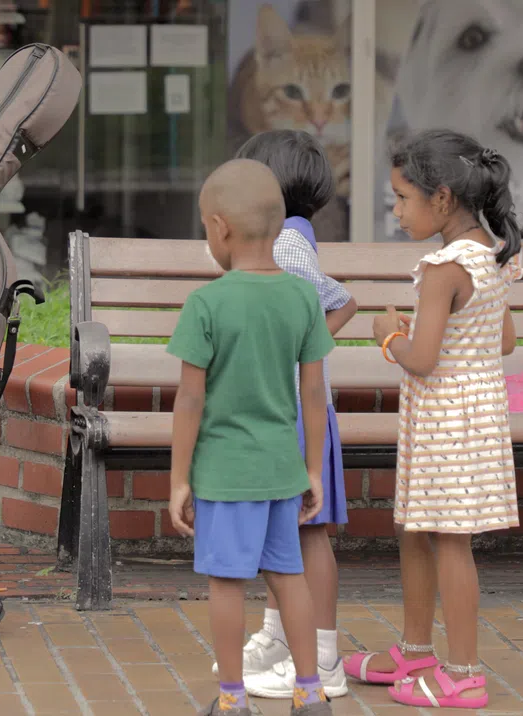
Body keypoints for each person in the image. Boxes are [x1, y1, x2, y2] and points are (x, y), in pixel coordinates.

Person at [352, 129, 523, 710]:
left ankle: (464, 672)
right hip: (474, 412)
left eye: (403, 198)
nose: (396, 211)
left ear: (443, 198)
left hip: (444, 416)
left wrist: (388, 335)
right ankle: (417, 650)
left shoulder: (443, 267)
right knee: (419, 529)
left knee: (449, 540)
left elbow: (421, 360)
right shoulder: (492, 256)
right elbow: (502, 339)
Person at [168, 158, 336, 716]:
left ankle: (232, 697)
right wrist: (312, 470)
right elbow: (313, 395)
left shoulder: (207, 304)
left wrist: (178, 480)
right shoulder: (301, 298)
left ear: (220, 227)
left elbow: (189, 401)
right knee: (289, 578)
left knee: (227, 584)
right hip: (282, 469)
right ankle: (310, 692)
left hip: (225, 474)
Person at [230, 130, 358, 699]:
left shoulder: (282, 245)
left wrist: (296, 357)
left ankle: (323, 659)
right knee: (287, 533)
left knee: (306, 534)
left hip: (294, 419)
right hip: (293, 413)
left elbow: (338, 302)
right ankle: (283, 636)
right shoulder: (291, 235)